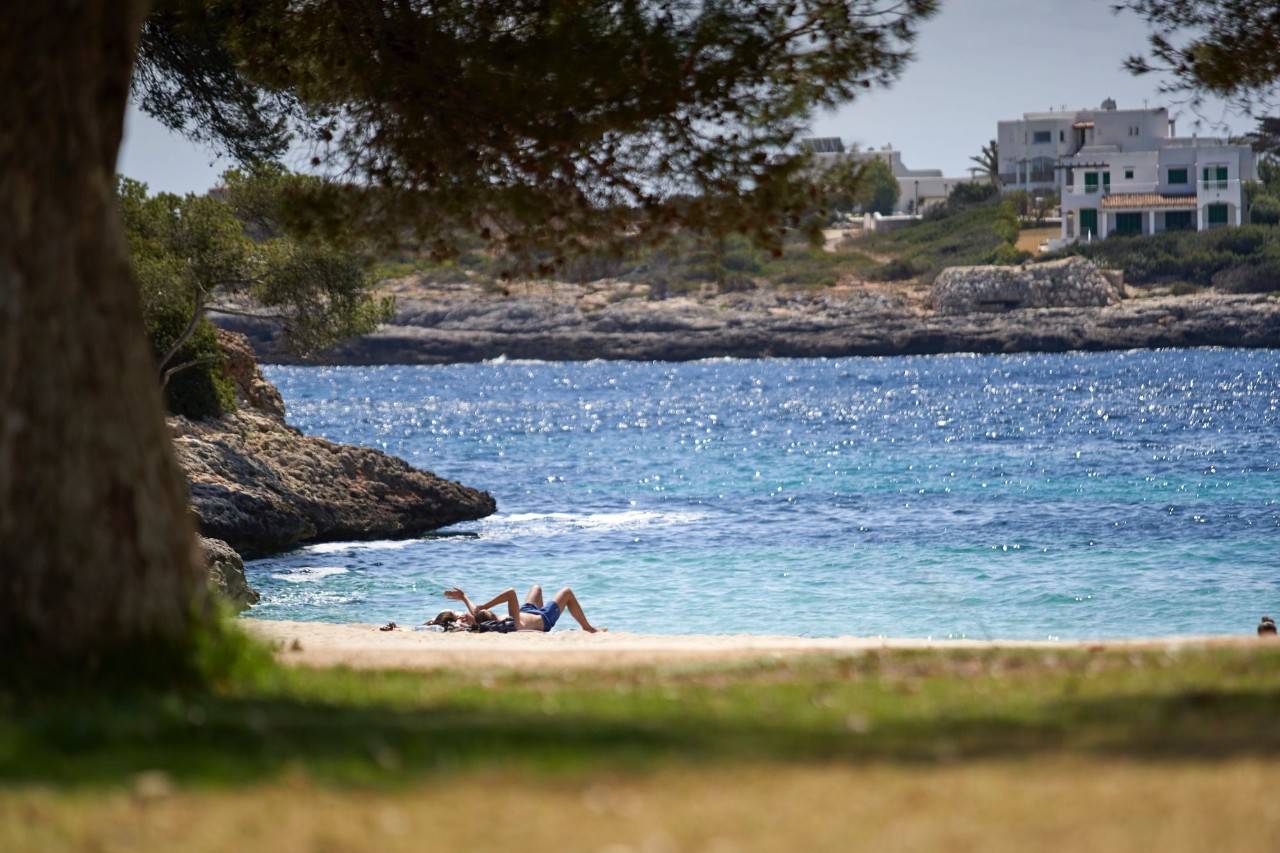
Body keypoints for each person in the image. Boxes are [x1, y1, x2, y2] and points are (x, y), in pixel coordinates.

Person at [443, 584, 604, 633]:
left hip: (527, 612)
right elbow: (511, 593)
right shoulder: (513, 621)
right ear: (490, 616)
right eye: (488, 612)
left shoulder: (487, 619)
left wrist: (464, 597)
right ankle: (588, 628)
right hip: (544, 618)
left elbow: (476, 612)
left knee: (536, 588)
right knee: (567, 592)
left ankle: (539, 631)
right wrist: (486, 605)